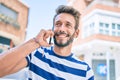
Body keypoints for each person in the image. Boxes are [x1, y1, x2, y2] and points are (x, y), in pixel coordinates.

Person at [0, 5, 94, 80]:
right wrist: (35, 42)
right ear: (52, 29)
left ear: (76, 33)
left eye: (68, 25)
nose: (61, 28)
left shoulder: (85, 71)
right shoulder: (37, 54)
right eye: (58, 24)